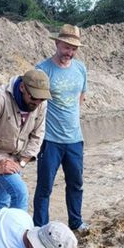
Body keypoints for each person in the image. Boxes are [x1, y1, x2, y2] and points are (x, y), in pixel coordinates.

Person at [0, 69, 50, 211]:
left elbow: (38, 135)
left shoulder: (41, 103)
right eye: (34, 97)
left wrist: (21, 162)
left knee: (1, 203)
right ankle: (17, 231)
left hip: (16, 156)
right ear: (22, 87)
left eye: (41, 99)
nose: (37, 102)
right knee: (20, 194)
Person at [33, 24, 89, 234]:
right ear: (57, 43)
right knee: (45, 186)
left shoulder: (80, 68)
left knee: (76, 183)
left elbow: (81, 96)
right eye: (66, 47)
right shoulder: (43, 70)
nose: (70, 53)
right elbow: (35, 104)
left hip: (74, 138)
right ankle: (40, 226)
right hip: (50, 140)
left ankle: (76, 221)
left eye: (74, 49)